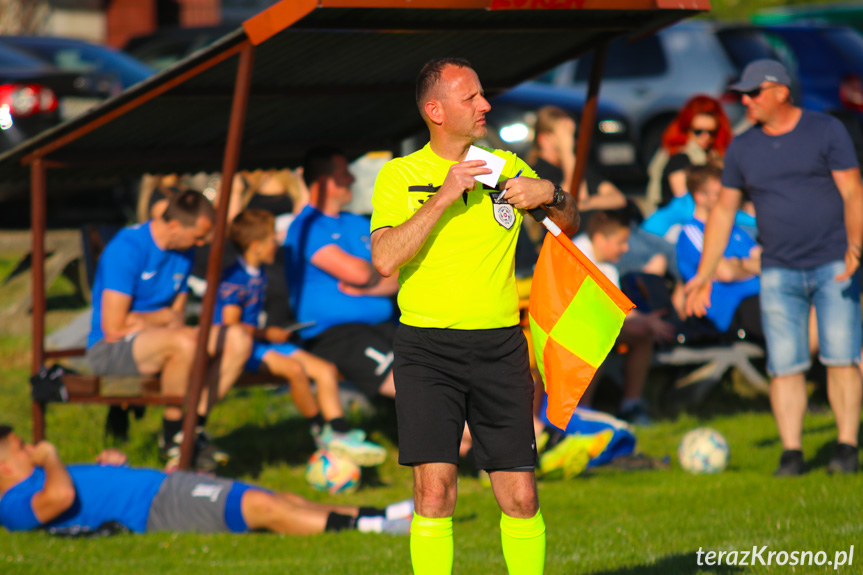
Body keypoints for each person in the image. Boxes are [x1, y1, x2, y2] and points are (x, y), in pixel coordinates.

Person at [370, 57, 579, 575]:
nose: (485, 105)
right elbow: (384, 259)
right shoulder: (400, 175)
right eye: (472, 98)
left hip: (501, 348)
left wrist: (549, 194)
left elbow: (570, 221)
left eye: (483, 95)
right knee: (434, 493)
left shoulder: (507, 166)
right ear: (435, 110)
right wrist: (443, 197)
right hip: (427, 351)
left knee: (521, 497)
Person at [685, 59, 863, 476]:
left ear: (781, 91)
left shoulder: (825, 130)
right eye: (742, 95)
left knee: (840, 358)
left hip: (835, 262)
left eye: (753, 93)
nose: (745, 101)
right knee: (784, 365)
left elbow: (853, 190)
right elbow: (724, 212)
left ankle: (846, 447)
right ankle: (792, 452)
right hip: (777, 269)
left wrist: (856, 244)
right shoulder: (744, 147)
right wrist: (704, 274)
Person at [86, 190, 253, 470]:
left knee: (238, 338)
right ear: (174, 226)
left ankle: (192, 430)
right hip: (111, 348)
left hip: (162, 338)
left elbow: (177, 317)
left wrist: (148, 319)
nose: (201, 243)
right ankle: (172, 437)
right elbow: (114, 326)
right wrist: (162, 317)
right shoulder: (126, 248)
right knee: (183, 343)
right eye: (198, 236)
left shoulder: (184, 252)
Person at [0, 425, 412, 536]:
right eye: (19, 447)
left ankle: (381, 513)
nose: (29, 449)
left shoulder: (35, 480)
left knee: (279, 497)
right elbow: (61, 496)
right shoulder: (12, 506)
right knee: (263, 509)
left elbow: (74, 490)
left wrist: (114, 467)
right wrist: (52, 456)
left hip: (159, 488)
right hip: (157, 507)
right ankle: (377, 528)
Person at [215, 209, 386, 466]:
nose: (278, 242)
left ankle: (338, 433)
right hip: (240, 345)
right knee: (295, 370)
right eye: (273, 238)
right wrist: (267, 332)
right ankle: (319, 432)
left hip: (259, 343)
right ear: (257, 246)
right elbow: (231, 326)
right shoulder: (236, 278)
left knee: (325, 370)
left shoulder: (258, 271)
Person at [285, 146, 400, 401]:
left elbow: (398, 271)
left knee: (437, 370)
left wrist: (368, 283)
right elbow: (358, 272)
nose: (353, 179)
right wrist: (376, 274)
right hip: (338, 334)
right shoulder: (305, 227)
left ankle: (465, 437)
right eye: (345, 173)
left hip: (384, 327)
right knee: (417, 389)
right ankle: (471, 434)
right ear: (325, 181)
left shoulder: (358, 222)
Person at [573, 210, 675, 424]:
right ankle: (581, 411)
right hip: (569, 330)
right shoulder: (575, 253)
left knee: (642, 333)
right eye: (621, 242)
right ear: (600, 239)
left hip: (594, 325)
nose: (626, 248)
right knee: (598, 337)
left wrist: (645, 322)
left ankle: (631, 405)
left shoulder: (609, 266)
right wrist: (643, 319)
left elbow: (613, 307)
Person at [676, 164, 762, 341]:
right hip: (732, 310)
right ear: (700, 197)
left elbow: (769, 261)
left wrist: (738, 264)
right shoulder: (692, 233)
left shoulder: (734, 230)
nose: (728, 198)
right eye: (719, 193)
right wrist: (750, 266)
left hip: (762, 296)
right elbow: (725, 272)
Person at [645, 95, 734, 213]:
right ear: (686, 129)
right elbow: (685, 202)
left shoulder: (715, 155)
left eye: (711, 132)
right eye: (698, 131)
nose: (705, 137)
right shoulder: (679, 158)